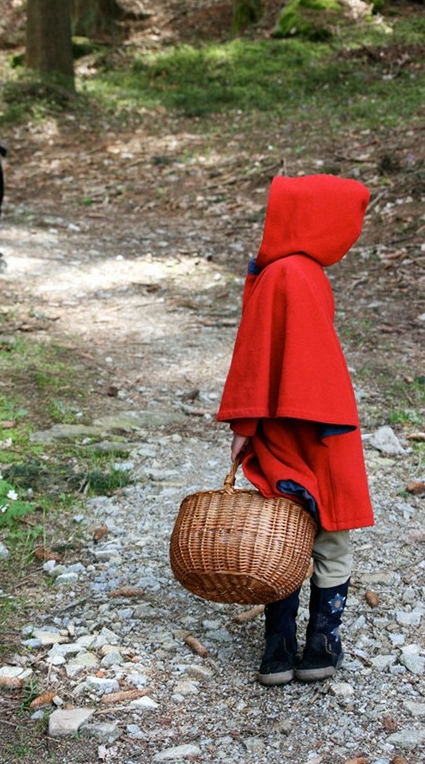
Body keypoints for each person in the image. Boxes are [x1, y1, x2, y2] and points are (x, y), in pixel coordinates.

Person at [216, 174, 374, 686]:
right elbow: (259, 353)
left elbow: (254, 354)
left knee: (281, 535)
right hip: (323, 430)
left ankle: (278, 648)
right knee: (331, 535)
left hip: (285, 428)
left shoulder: (282, 273)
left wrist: (246, 423)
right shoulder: (296, 274)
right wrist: (245, 419)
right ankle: (322, 645)